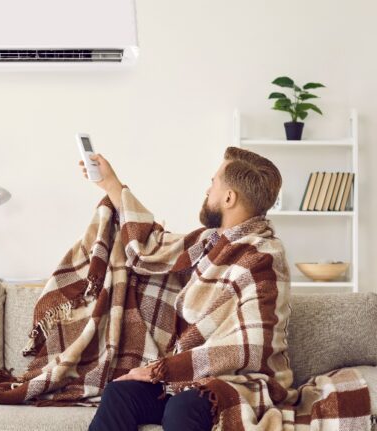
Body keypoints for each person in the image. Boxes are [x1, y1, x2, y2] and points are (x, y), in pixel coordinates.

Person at [79, 146, 286, 431]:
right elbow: (152, 247)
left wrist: (161, 370)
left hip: (238, 383)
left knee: (184, 406)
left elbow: (246, 349)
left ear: (229, 197)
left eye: (213, 183)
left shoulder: (264, 257)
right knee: (119, 394)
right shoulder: (210, 242)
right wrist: (111, 184)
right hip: (185, 379)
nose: (207, 190)